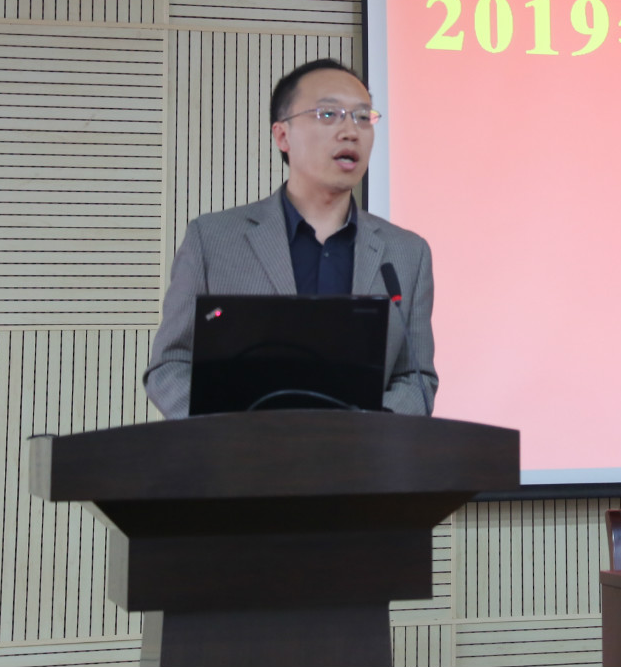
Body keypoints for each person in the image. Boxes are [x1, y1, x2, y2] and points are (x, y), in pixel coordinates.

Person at [144, 58, 437, 417]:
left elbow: (415, 378)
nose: (351, 131)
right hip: (240, 449)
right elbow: (170, 365)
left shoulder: (407, 253)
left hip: (361, 451)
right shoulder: (212, 240)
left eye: (363, 117)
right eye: (328, 114)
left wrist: (365, 432)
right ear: (282, 135)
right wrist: (226, 429)